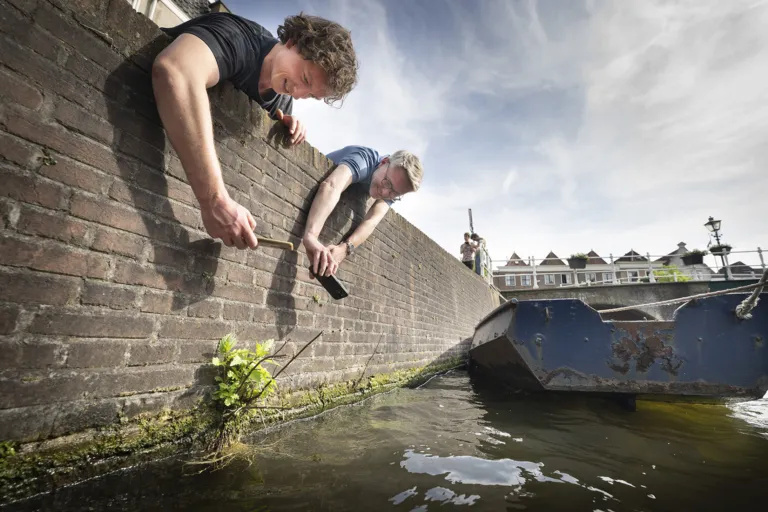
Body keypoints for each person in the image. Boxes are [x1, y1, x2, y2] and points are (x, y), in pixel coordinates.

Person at [152, 12, 358, 250]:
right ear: (293, 42)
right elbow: (176, 70)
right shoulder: (237, 35)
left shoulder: (282, 103)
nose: (299, 93)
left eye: (311, 95)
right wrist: (215, 201)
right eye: (304, 78)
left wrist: (279, 124)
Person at [303, 145, 423, 277]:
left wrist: (344, 249)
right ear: (383, 163)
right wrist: (311, 235)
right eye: (387, 183)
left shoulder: (391, 186)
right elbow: (332, 186)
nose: (384, 192)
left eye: (394, 193)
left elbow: (372, 220)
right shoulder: (365, 158)